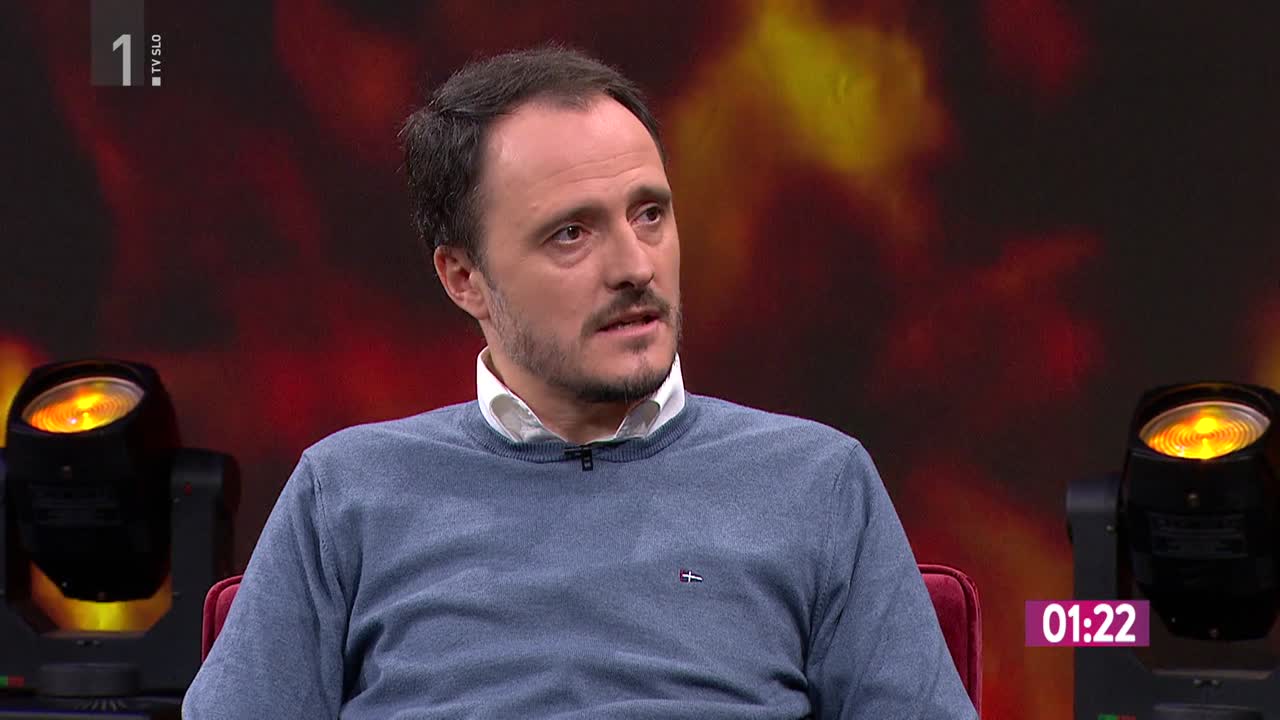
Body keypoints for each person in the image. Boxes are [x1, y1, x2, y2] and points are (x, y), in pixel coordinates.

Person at [184, 45, 977, 719]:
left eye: (650, 214)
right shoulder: (346, 493)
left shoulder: (818, 482)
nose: (635, 266)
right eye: (571, 233)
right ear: (464, 277)